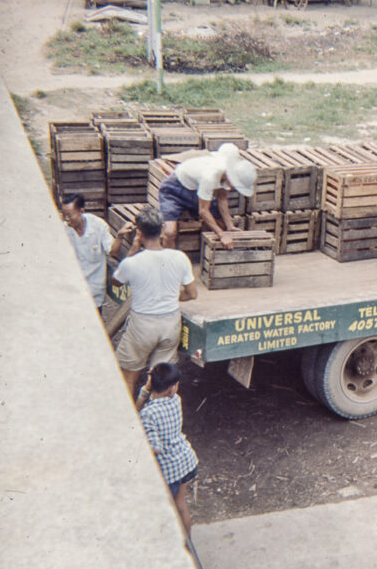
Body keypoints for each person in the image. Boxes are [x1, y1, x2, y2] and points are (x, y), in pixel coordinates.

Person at [112, 206, 197, 397]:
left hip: (142, 324)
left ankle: (131, 419)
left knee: (129, 374)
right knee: (162, 379)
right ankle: (161, 418)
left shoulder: (132, 263)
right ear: (162, 230)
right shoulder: (179, 257)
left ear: (139, 232)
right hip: (170, 323)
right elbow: (191, 293)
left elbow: (116, 281)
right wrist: (169, 296)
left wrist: (133, 249)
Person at [158, 143, 257, 250]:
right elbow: (203, 211)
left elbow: (222, 198)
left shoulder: (230, 173)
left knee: (222, 224)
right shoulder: (210, 176)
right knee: (169, 232)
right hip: (174, 189)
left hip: (196, 190)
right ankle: (167, 262)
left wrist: (230, 226)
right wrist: (221, 235)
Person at [136, 362, 198, 534]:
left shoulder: (148, 414)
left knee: (165, 511)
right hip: (186, 461)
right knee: (181, 504)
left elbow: (154, 448)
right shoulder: (175, 400)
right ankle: (188, 544)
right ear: (171, 389)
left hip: (168, 471)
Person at [61, 193, 132, 313]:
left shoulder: (98, 226)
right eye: (64, 215)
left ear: (81, 211)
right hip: (72, 292)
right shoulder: (63, 230)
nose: (66, 219)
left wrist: (120, 236)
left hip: (94, 293)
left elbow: (112, 251)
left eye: (70, 215)